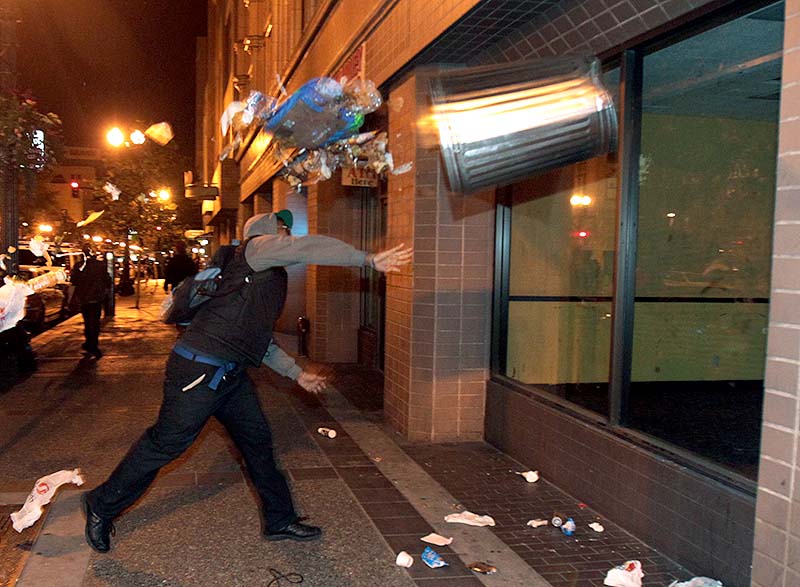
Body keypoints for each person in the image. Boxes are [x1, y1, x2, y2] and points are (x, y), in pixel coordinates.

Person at [82, 210, 413, 552]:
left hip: (230, 375)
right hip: (198, 371)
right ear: (267, 232)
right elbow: (307, 248)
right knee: (165, 445)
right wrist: (367, 259)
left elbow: (260, 342)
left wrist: (297, 373)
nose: (287, 232)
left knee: (258, 444)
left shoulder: (261, 280)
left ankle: (279, 520)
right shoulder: (256, 250)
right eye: (282, 227)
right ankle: (101, 504)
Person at [71, 244, 112, 359]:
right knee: (95, 322)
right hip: (96, 298)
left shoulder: (79, 266)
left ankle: (89, 343)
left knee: (87, 321)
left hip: (84, 298)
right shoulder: (100, 266)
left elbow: (73, 280)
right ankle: (93, 344)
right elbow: (107, 280)